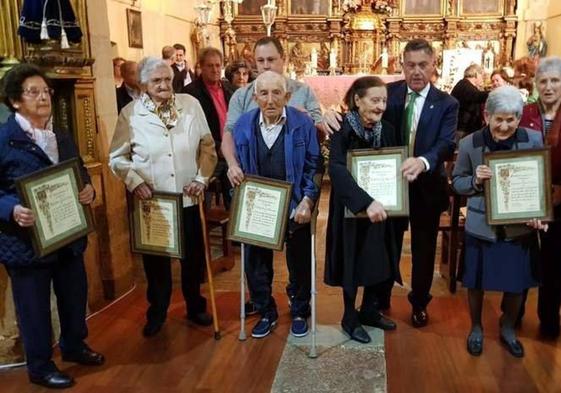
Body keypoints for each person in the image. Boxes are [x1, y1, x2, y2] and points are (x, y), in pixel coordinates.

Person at [0, 64, 104, 389]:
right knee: (34, 307)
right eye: (34, 92)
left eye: (46, 91)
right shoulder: (5, 139)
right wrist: (11, 209)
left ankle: (74, 345)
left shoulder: (60, 134)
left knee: (74, 295)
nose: (43, 97)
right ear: (16, 101)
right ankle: (40, 366)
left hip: (67, 234)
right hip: (26, 241)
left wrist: (88, 188)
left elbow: (78, 172)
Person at [109, 57, 217, 337]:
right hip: (153, 203)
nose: (163, 85)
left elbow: (208, 146)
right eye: (156, 81)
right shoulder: (130, 114)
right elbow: (117, 159)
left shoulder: (190, 106)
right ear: (144, 84)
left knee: (192, 260)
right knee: (156, 265)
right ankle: (157, 312)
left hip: (189, 198)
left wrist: (201, 179)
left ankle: (195, 306)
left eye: (167, 80)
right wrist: (135, 183)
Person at [221, 35, 323, 316]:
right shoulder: (243, 98)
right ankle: (263, 303)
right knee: (255, 255)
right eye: (260, 61)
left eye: (271, 60)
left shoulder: (302, 92)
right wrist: (232, 165)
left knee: (299, 256)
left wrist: (309, 197)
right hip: (259, 192)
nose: (265, 65)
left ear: (283, 60)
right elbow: (229, 134)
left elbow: (317, 141)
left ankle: (299, 303)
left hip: (295, 192)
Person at [452, 86, 546, 357]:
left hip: (519, 225)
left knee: (517, 283)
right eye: (499, 119)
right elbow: (457, 182)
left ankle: (507, 327)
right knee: (476, 282)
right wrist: (474, 181)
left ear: (519, 118)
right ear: (486, 116)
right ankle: (477, 328)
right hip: (482, 226)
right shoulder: (470, 143)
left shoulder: (533, 139)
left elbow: (539, 182)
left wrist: (538, 212)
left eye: (511, 119)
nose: (505, 125)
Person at [382, 39, 458, 327]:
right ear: (402, 65)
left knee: (424, 250)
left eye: (422, 65)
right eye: (410, 65)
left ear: (433, 66)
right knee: (388, 243)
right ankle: (382, 294)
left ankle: (419, 303)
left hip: (426, 187)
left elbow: (446, 143)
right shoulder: (387, 93)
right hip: (391, 185)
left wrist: (423, 161)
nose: (416, 71)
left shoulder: (447, 103)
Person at [325, 76, 401, 343]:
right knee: (351, 260)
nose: (380, 106)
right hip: (351, 209)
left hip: (381, 207)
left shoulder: (388, 129)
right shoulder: (341, 129)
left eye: (384, 100)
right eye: (374, 100)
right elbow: (335, 169)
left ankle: (369, 310)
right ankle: (349, 316)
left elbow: (394, 164)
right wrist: (364, 202)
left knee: (376, 257)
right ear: (357, 100)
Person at [519, 56, 561, 338]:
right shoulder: (525, 113)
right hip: (526, 198)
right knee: (522, 258)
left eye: (555, 81)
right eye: (543, 81)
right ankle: (513, 315)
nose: (549, 87)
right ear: (535, 84)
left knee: (554, 262)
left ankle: (548, 320)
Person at [183, 47, 234, 208]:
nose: (215, 69)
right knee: (203, 201)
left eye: (218, 65)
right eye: (210, 65)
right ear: (201, 67)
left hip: (231, 153)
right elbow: (189, 129)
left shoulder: (230, 89)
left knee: (234, 202)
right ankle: (203, 230)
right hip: (206, 154)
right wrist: (218, 146)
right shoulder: (190, 93)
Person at [451, 64, 489, 139]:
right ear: (476, 74)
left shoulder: (466, 85)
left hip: (466, 129)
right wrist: (495, 92)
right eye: (482, 76)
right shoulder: (464, 85)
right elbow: (477, 96)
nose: (482, 79)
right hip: (462, 130)